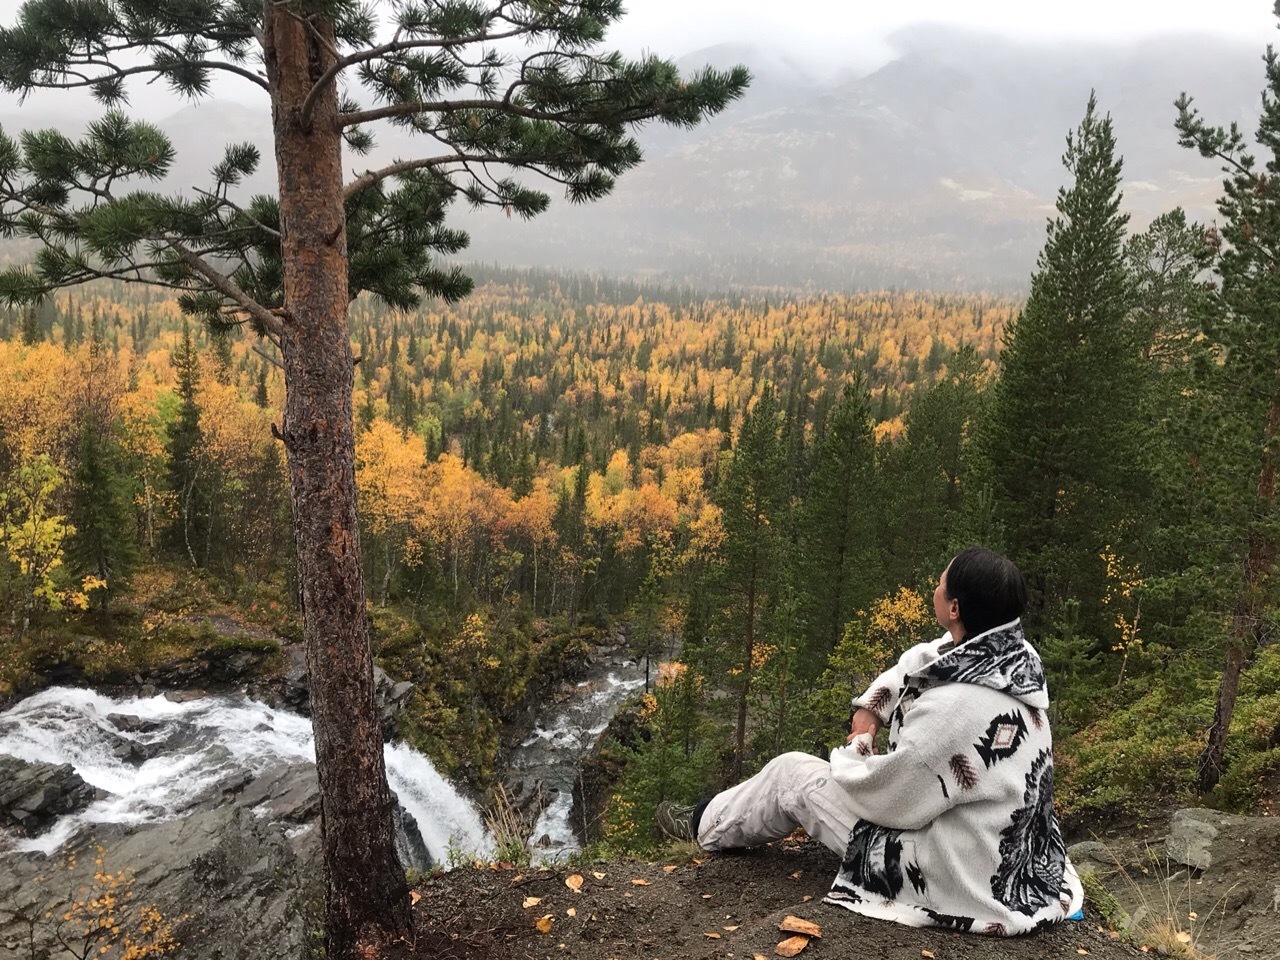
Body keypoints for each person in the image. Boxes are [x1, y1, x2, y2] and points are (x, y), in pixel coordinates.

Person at [656, 546, 1083, 936]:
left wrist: (855, 751)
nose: (933, 589)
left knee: (791, 775)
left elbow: (890, 801)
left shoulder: (953, 711)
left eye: (940, 584)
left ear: (954, 607)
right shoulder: (1013, 662)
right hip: (1011, 851)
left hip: (956, 874)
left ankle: (702, 825)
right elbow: (925, 657)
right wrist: (874, 706)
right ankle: (711, 816)